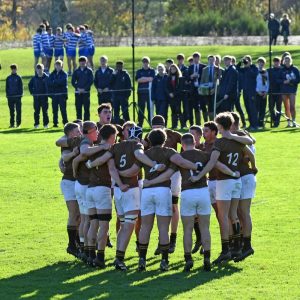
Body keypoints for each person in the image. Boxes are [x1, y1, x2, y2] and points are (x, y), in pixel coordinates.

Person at [87, 126, 164, 271]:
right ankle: (119, 258)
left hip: (118, 190)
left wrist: (91, 164)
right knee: (129, 225)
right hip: (131, 190)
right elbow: (139, 156)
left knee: (123, 224)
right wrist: (154, 164)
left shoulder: (116, 146)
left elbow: (110, 166)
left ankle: (115, 255)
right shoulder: (136, 145)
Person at [131, 129, 203, 271]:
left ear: (149, 141)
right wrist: (196, 166)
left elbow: (133, 170)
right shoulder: (168, 151)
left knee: (146, 226)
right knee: (163, 228)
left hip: (146, 192)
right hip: (162, 190)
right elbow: (180, 161)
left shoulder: (145, 154)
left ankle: (142, 259)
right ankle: (164, 261)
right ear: (165, 140)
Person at [191, 112, 254, 265]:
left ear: (219, 126)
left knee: (223, 216)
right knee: (234, 214)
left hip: (224, 181)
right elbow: (250, 146)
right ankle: (238, 247)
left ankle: (226, 249)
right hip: (237, 181)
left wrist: (199, 177)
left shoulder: (219, 143)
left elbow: (213, 162)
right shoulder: (237, 140)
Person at [85, 124, 117, 268]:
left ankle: (90, 256)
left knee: (93, 223)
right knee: (104, 225)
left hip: (89, 189)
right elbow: (110, 167)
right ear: (111, 137)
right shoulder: (109, 149)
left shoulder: (92, 149)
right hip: (102, 189)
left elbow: (81, 157)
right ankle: (100, 257)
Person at [230, 112, 257, 262]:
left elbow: (248, 156)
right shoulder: (244, 135)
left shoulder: (239, 135)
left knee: (243, 212)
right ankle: (241, 244)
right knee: (240, 212)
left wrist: (253, 166)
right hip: (243, 177)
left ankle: (247, 245)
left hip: (246, 177)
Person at [60, 122, 81, 257]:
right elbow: (65, 157)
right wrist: (74, 153)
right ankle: (71, 245)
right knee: (73, 213)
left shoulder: (75, 142)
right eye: (77, 131)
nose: (79, 133)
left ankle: (77, 242)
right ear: (70, 133)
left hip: (77, 182)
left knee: (79, 215)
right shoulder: (67, 143)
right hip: (69, 181)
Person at [236, 56, 258, 130]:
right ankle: (251, 124)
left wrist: (248, 66)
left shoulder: (254, 68)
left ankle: (255, 125)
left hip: (252, 91)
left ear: (250, 61)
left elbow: (254, 75)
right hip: (245, 91)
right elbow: (237, 68)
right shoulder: (243, 69)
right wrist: (240, 62)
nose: (246, 62)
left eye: (247, 61)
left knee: (252, 109)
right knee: (247, 108)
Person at [278, 56, 300, 127]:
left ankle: (293, 121)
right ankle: (288, 122)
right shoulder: (281, 70)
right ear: (284, 61)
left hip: (292, 90)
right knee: (286, 107)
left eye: (288, 60)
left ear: (291, 61)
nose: (287, 62)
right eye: (285, 61)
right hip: (284, 90)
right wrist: (283, 81)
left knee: (292, 106)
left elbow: (298, 80)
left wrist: (291, 81)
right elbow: (277, 80)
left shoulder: (295, 69)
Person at [71, 56, 94, 121]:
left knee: (86, 108)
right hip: (78, 93)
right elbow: (73, 81)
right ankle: (79, 123)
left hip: (86, 93)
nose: (82, 63)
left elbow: (91, 81)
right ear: (79, 62)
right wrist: (77, 88)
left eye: (83, 61)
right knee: (78, 108)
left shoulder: (89, 71)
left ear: (86, 62)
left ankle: (87, 122)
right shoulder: (76, 71)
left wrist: (85, 89)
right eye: (81, 61)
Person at [135, 56, 155, 127]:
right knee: (141, 109)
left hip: (149, 93)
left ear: (149, 63)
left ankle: (151, 124)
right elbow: (138, 80)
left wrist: (143, 78)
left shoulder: (152, 71)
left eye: (146, 62)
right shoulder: (139, 71)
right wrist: (146, 79)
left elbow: (152, 79)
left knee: (150, 109)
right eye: (144, 62)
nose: (145, 64)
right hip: (141, 93)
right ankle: (140, 124)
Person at [48, 59, 68, 127]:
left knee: (63, 110)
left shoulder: (64, 74)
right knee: (54, 110)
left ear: (62, 66)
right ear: (55, 66)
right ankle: (55, 123)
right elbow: (49, 82)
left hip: (62, 95)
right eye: (56, 65)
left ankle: (65, 123)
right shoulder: (52, 74)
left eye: (59, 65)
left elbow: (61, 82)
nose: (58, 67)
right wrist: (55, 82)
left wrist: (54, 82)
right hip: (54, 95)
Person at [28, 63, 49, 129]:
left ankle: (46, 124)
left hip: (44, 97)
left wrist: (48, 93)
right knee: (36, 111)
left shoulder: (47, 77)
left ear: (43, 69)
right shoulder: (34, 78)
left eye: (41, 69)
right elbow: (29, 85)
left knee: (45, 111)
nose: (39, 71)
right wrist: (32, 93)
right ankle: (36, 124)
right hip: (36, 98)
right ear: (36, 70)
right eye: (38, 70)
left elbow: (50, 86)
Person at [188, 52, 206, 125]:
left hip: (202, 89)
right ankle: (198, 124)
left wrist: (199, 75)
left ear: (199, 58)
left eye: (197, 58)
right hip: (193, 89)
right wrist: (191, 76)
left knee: (203, 106)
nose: (196, 59)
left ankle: (206, 122)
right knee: (195, 107)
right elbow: (187, 78)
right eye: (194, 58)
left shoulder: (204, 67)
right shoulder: (190, 67)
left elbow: (206, 77)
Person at [199, 55, 219, 120]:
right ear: (208, 60)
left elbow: (220, 81)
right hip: (206, 91)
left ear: (215, 60)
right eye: (210, 60)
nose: (211, 61)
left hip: (215, 91)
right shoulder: (204, 69)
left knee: (213, 107)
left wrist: (215, 89)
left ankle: (214, 120)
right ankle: (208, 121)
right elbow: (202, 80)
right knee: (207, 106)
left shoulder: (218, 69)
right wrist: (201, 89)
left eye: (213, 60)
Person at [166, 64, 184, 129]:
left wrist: (174, 93)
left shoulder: (180, 78)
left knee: (178, 110)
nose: (172, 70)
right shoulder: (168, 78)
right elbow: (166, 87)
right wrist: (170, 93)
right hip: (171, 97)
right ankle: (174, 125)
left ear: (176, 69)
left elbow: (180, 88)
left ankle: (182, 125)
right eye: (171, 69)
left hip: (178, 97)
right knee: (173, 110)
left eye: (174, 69)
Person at [6, 64, 23, 128]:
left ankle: (18, 124)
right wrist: (7, 95)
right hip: (10, 97)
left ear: (16, 69)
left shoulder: (18, 77)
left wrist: (20, 95)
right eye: (12, 69)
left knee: (18, 111)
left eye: (14, 69)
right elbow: (7, 87)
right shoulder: (8, 78)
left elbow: (21, 87)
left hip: (17, 97)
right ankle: (12, 124)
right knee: (11, 111)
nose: (13, 70)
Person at [232, 56, 247, 128]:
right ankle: (233, 124)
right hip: (231, 93)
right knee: (232, 109)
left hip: (237, 92)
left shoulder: (237, 70)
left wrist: (241, 61)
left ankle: (243, 123)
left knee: (238, 108)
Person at [268, 57, 283, 127]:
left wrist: (277, 81)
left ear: (279, 62)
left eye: (277, 61)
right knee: (271, 107)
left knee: (278, 107)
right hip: (271, 91)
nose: (276, 63)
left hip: (279, 91)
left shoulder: (282, 70)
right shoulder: (269, 70)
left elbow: (282, 79)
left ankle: (277, 122)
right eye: (275, 61)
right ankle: (274, 119)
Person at [255, 57, 269, 128]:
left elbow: (268, 82)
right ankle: (256, 123)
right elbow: (255, 83)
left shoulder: (266, 72)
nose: (261, 64)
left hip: (264, 92)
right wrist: (258, 91)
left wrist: (266, 92)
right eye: (260, 62)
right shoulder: (255, 71)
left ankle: (261, 122)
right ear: (258, 63)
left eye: (262, 62)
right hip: (257, 92)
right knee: (257, 108)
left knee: (263, 109)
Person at [177, 53, 189, 128]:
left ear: (183, 60)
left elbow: (187, 79)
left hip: (184, 91)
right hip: (178, 91)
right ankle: (180, 122)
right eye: (179, 59)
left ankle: (184, 123)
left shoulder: (186, 69)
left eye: (181, 59)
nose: (180, 61)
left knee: (185, 108)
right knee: (178, 108)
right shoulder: (176, 68)